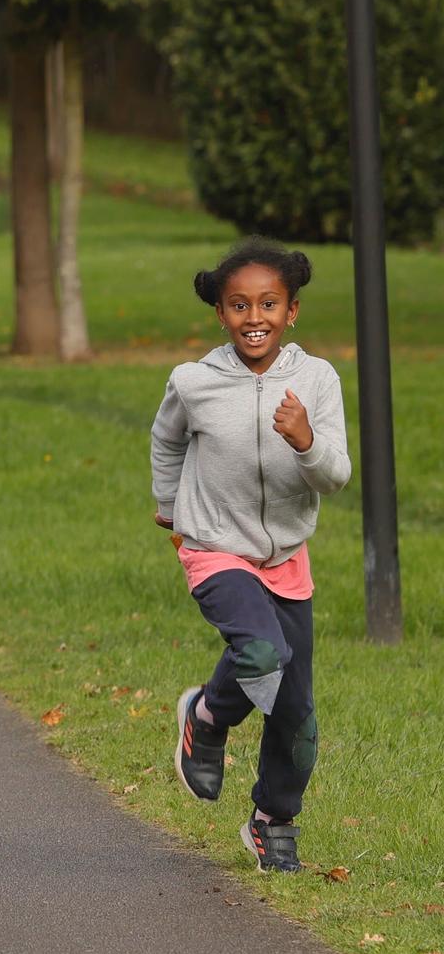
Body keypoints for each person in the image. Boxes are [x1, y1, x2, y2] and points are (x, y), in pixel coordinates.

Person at [154, 239, 349, 875]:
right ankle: (206, 719)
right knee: (261, 652)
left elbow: (336, 476)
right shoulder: (194, 382)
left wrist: (306, 442)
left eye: (269, 303)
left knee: (297, 713)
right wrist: (168, 506)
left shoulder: (317, 380)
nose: (254, 316)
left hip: (287, 558)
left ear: (292, 311)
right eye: (239, 305)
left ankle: (271, 820)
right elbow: (167, 440)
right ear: (220, 312)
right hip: (215, 548)